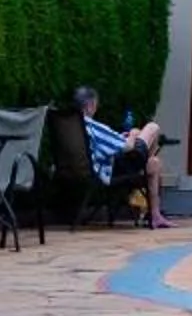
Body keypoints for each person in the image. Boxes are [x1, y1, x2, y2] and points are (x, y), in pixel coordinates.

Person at [73, 85, 171, 228]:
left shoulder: (74, 127)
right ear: (90, 105)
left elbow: (106, 144)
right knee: (152, 128)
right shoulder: (92, 126)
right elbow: (127, 147)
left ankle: (155, 215)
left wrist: (125, 137)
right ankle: (145, 200)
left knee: (154, 163)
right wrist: (131, 134)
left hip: (89, 169)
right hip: (110, 170)